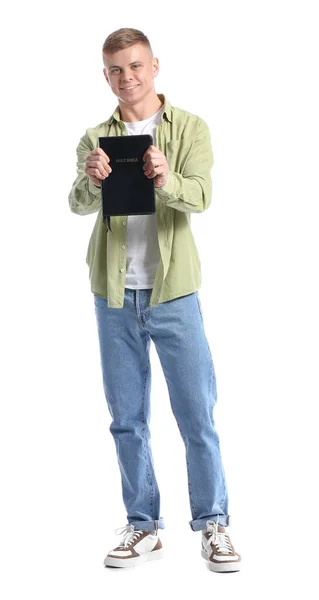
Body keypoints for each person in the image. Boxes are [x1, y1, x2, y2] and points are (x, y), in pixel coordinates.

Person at [68, 27, 242, 573]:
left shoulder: (190, 127)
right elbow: (75, 202)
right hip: (114, 293)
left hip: (173, 293)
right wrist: (92, 181)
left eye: (136, 66)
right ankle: (142, 525)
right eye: (116, 70)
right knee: (126, 417)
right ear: (106, 75)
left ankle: (213, 523)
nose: (127, 78)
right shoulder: (95, 134)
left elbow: (202, 196)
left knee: (196, 414)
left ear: (155, 66)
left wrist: (166, 178)